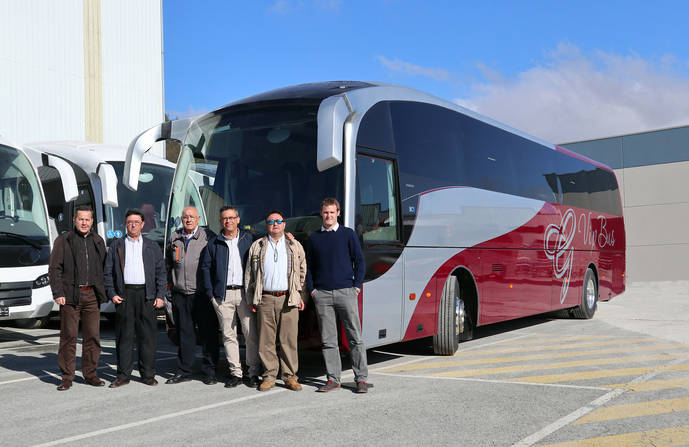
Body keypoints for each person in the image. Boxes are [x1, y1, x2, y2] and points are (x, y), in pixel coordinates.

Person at [306, 198, 368, 393]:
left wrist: (356, 287)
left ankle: (361, 379)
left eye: (332, 212)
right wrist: (312, 290)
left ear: (338, 213)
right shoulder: (314, 238)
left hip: (346, 292)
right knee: (328, 340)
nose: (329, 216)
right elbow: (308, 267)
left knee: (354, 337)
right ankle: (333, 379)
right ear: (321, 214)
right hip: (322, 294)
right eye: (325, 212)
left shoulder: (348, 234)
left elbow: (360, 261)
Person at [104, 209, 166, 388]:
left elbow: (160, 272)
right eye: (130, 222)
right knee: (124, 337)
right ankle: (123, 375)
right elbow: (108, 272)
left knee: (147, 337)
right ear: (125, 224)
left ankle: (148, 374)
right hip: (124, 296)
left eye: (136, 222)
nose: (133, 225)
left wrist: (160, 295)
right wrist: (112, 293)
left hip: (147, 295)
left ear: (143, 224)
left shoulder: (151, 246)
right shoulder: (116, 245)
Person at [245, 210, 307, 391]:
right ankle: (269, 376)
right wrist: (250, 298)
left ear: (284, 224)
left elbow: (303, 270)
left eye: (279, 221)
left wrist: (300, 295)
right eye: (271, 221)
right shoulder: (257, 246)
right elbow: (249, 275)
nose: (275, 224)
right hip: (265, 298)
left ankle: (290, 377)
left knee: (288, 340)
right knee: (266, 341)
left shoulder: (294, 245)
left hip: (288, 298)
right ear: (267, 225)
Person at [48, 205, 107, 391]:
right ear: (75, 220)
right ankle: (67, 377)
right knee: (69, 336)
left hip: (92, 295)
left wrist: (103, 292)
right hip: (70, 295)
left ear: (92, 221)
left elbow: (105, 268)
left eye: (87, 219)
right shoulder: (64, 240)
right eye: (81, 219)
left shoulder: (98, 241)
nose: (84, 222)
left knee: (92, 337)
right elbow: (54, 268)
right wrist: (58, 293)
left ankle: (90, 374)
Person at [201, 206, 260, 388]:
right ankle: (236, 373)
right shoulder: (214, 243)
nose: (228, 221)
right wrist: (211, 294)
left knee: (251, 333)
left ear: (238, 219)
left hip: (245, 294)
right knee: (229, 335)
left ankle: (253, 373)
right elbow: (205, 268)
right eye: (225, 218)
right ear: (220, 222)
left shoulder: (249, 239)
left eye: (231, 218)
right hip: (222, 295)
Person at [165, 206, 218, 384]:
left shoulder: (208, 236)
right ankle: (184, 370)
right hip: (181, 294)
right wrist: (170, 287)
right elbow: (168, 264)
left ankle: (209, 370)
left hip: (201, 295)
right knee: (184, 334)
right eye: (185, 217)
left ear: (198, 218)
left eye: (192, 217)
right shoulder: (175, 237)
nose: (188, 220)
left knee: (207, 333)